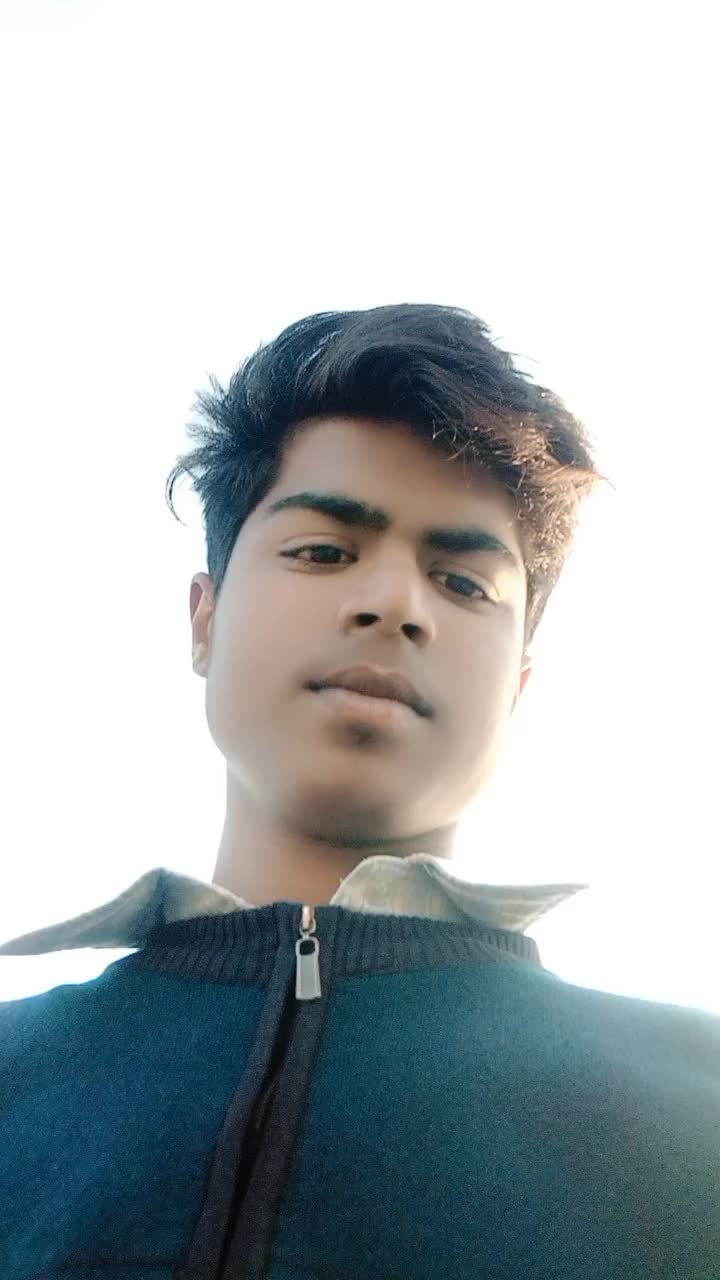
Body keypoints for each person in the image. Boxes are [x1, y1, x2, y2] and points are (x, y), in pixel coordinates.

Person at [1, 303, 718, 1278]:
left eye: (464, 582)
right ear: (204, 619)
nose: (394, 604)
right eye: (324, 551)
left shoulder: (697, 1113)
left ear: (517, 684)